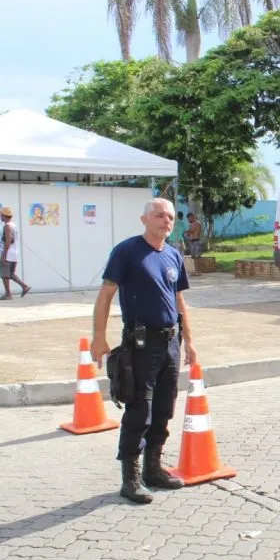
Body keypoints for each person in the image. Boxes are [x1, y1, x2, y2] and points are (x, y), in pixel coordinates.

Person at [90, 198, 198, 505]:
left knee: (164, 409)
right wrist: (99, 336)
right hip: (141, 343)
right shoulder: (127, 251)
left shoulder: (174, 256)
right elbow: (106, 294)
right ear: (144, 219)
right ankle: (131, 478)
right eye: (160, 215)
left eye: (171, 216)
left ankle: (154, 469)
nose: (166, 220)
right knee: (140, 410)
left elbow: (179, 303)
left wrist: (189, 341)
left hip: (170, 343)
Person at [0, 209, 30, 300]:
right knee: (11, 274)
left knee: (5, 275)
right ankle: (24, 286)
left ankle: (8, 294)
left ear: (5, 216)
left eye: (1, 215)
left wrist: (3, 255)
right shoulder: (13, 225)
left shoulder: (7, 226)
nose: (0, 217)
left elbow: (8, 241)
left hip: (8, 254)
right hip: (13, 253)